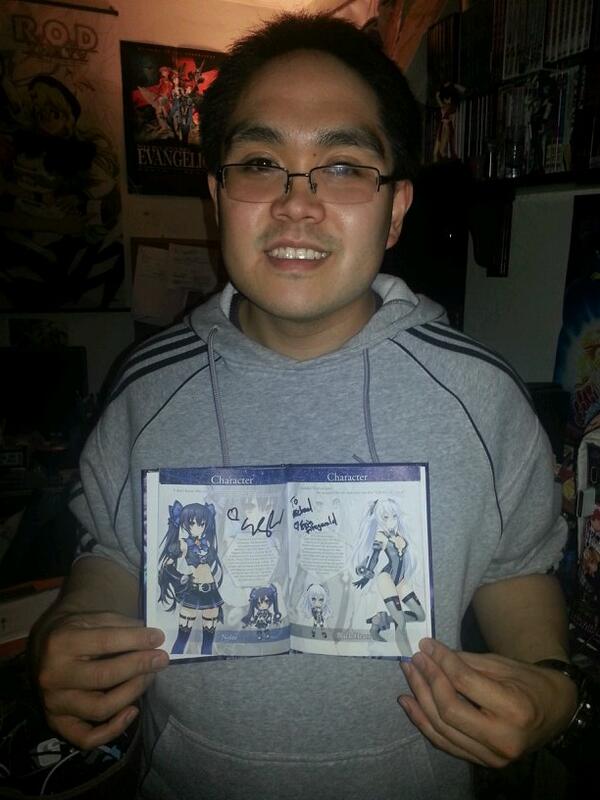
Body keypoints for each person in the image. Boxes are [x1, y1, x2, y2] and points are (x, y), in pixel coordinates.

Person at [31, 13, 577, 800]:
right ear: (217, 198)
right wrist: (71, 629)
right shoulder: (145, 386)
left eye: (344, 167)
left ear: (396, 209)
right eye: (261, 163)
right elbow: (113, 550)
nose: (297, 204)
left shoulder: (481, 395)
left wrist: (550, 682)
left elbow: (516, 564)